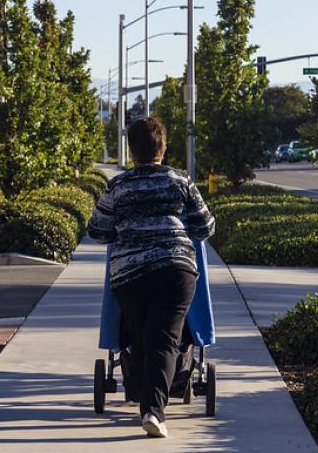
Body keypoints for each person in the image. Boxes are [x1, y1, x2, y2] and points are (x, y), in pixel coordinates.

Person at [87, 117, 215, 438]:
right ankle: (153, 410)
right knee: (165, 338)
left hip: (129, 273)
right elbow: (205, 227)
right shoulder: (181, 181)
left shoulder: (118, 185)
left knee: (141, 335)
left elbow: (98, 230)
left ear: (131, 151)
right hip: (176, 270)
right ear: (164, 148)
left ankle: (148, 405)